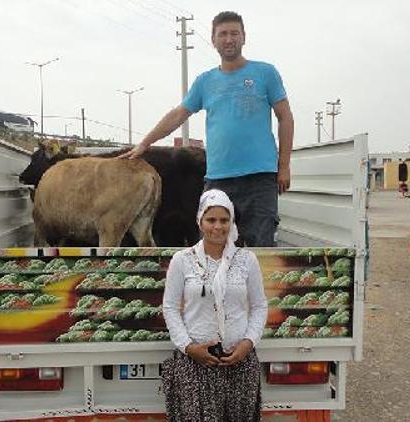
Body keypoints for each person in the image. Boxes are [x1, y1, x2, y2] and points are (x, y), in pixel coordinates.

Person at [121, 10, 294, 247]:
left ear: (244, 37)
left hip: (260, 179)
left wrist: (283, 165)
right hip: (218, 180)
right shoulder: (205, 81)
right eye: (223, 34)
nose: (229, 39)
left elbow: (285, 117)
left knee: (260, 249)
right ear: (214, 40)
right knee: (214, 250)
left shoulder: (266, 73)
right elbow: (178, 114)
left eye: (234, 33)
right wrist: (144, 143)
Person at [161, 189, 268, 421]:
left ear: (231, 222)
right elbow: (170, 307)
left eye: (224, 220)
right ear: (200, 221)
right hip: (196, 365)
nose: (217, 227)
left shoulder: (247, 260)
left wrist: (247, 344)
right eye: (211, 220)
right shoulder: (183, 260)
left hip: (239, 363)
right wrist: (189, 348)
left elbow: (259, 306)